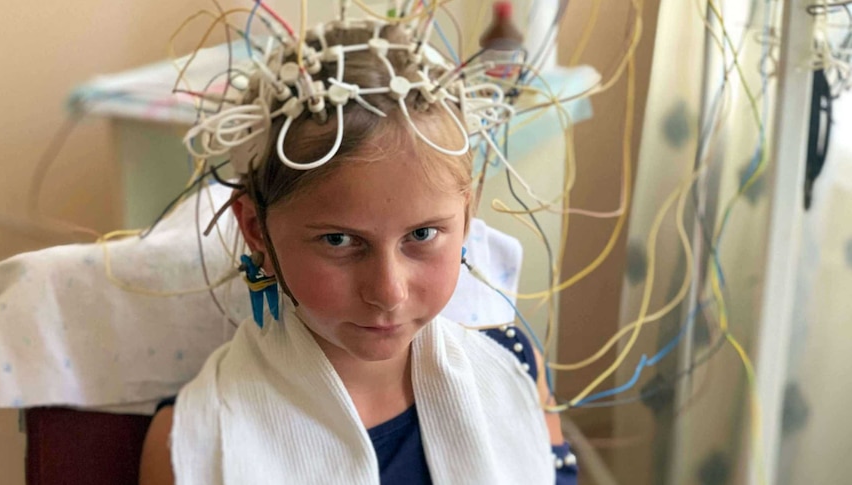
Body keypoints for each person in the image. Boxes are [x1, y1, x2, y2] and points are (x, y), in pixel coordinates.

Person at [139, 22, 577, 485]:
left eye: (423, 234)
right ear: (256, 231)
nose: (388, 292)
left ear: (466, 217)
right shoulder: (196, 442)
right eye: (339, 241)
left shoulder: (516, 374)